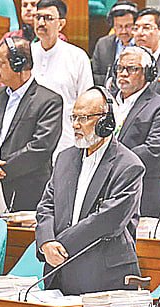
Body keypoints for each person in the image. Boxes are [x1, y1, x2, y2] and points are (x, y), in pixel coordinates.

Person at [35, 88, 144, 294]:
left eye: (83, 118)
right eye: (74, 117)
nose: (75, 125)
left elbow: (109, 221)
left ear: (106, 122)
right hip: (59, 272)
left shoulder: (129, 165)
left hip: (103, 277)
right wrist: (46, 242)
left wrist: (58, 244)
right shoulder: (64, 158)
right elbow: (46, 206)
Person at [0, 39, 62, 215]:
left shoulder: (49, 101)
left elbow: (40, 148)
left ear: (19, 65)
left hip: (24, 196)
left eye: (2, 63)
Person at [111, 46, 160, 219]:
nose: (123, 73)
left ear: (148, 74)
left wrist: (108, 159)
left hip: (146, 199)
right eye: (120, 68)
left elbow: (154, 151)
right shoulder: (107, 104)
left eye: (132, 69)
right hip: (110, 196)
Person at [30, 0, 93, 151]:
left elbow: (86, 102)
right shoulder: (27, 53)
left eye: (48, 18)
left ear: (61, 24)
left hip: (65, 138)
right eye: (38, 17)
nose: (41, 23)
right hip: (29, 136)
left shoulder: (77, 57)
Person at [90, 1, 139, 86]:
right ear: (113, 26)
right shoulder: (102, 44)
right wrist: (112, 82)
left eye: (128, 26)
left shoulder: (143, 44)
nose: (123, 31)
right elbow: (94, 75)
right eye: (119, 26)